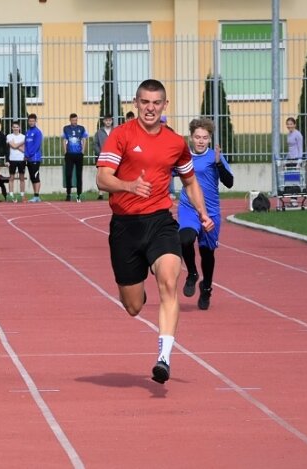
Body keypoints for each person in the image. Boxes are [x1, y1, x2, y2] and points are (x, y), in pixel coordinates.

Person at [96, 79, 213, 384]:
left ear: (165, 105)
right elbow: (102, 178)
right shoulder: (121, 136)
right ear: (136, 103)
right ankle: (137, 286)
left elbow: (189, 181)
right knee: (134, 306)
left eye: (156, 103)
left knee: (169, 280)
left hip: (160, 221)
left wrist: (202, 212)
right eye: (144, 102)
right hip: (125, 226)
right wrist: (128, 185)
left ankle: (164, 357)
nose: (150, 108)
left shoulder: (175, 143)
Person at [179, 118, 233, 310]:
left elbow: (229, 183)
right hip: (188, 207)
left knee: (206, 253)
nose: (201, 141)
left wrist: (218, 164)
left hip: (210, 212)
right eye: (197, 137)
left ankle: (207, 287)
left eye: (205, 138)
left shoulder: (214, 157)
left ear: (210, 139)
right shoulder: (184, 157)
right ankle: (192, 273)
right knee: (185, 239)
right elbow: (166, 173)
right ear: (191, 137)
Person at [63, 113, 88, 202]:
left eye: (76, 120)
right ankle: (68, 193)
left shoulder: (81, 128)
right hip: (69, 154)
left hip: (78, 155)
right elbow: (65, 140)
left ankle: (79, 194)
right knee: (68, 174)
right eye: (73, 120)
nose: (74, 122)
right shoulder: (66, 128)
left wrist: (82, 151)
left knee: (78, 175)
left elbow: (84, 139)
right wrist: (65, 152)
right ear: (70, 120)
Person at [93, 113, 115, 200]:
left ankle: (112, 191)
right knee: (101, 175)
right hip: (101, 157)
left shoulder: (115, 131)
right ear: (103, 121)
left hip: (113, 157)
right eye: (106, 120)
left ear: (112, 121)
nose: (108, 122)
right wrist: (100, 154)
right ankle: (100, 193)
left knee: (112, 175)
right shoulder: (99, 132)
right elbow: (95, 144)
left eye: (110, 120)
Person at [24, 113, 44, 202]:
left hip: (35, 158)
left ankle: (37, 195)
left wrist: (29, 154)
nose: (31, 122)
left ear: (36, 121)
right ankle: (35, 195)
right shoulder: (28, 132)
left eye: (33, 121)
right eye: (30, 121)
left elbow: (36, 145)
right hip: (29, 158)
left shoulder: (37, 132)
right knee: (32, 177)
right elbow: (26, 144)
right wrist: (25, 154)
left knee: (36, 176)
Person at [6, 122, 27, 203]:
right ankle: (11, 195)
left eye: (17, 127)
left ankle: (22, 195)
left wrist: (15, 145)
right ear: (12, 128)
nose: (15, 128)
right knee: (11, 177)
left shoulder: (23, 137)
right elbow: (13, 146)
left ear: (19, 128)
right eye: (14, 127)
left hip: (21, 159)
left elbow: (23, 149)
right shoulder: (9, 136)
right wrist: (21, 144)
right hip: (12, 159)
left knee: (22, 177)